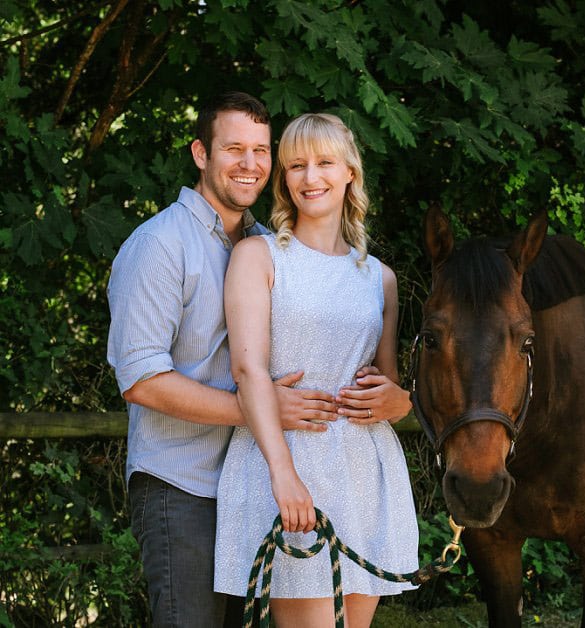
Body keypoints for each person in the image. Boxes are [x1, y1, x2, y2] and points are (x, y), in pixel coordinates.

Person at [107, 93, 411, 627]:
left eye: (260, 150)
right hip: (185, 479)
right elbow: (141, 379)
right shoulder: (160, 244)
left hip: (264, 465)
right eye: (233, 149)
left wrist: (399, 398)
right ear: (201, 154)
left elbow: (369, 368)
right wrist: (263, 412)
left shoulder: (266, 243)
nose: (249, 163)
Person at [213, 113, 419, 628]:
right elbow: (248, 371)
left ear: (350, 171)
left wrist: (402, 401)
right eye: (296, 166)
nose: (310, 177)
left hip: (365, 472)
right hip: (286, 465)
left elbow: (386, 384)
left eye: (324, 162)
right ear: (284, 179)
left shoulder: (380, 279)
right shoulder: (257, 256)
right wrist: (285, 478)